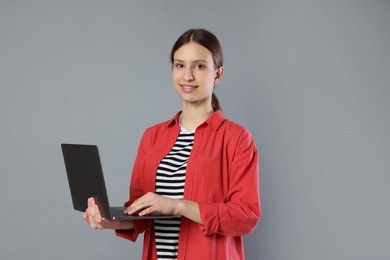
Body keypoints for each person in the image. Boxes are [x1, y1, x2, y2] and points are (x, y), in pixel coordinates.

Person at [84, 28, 260, 260]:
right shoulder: (152, 137)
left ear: (218, 74)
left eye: (199, 66)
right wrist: (108, 220)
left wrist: (177, 206)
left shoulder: (236, 138)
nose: (187, 76)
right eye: (179, 65)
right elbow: (140, 214)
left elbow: (245, 216)